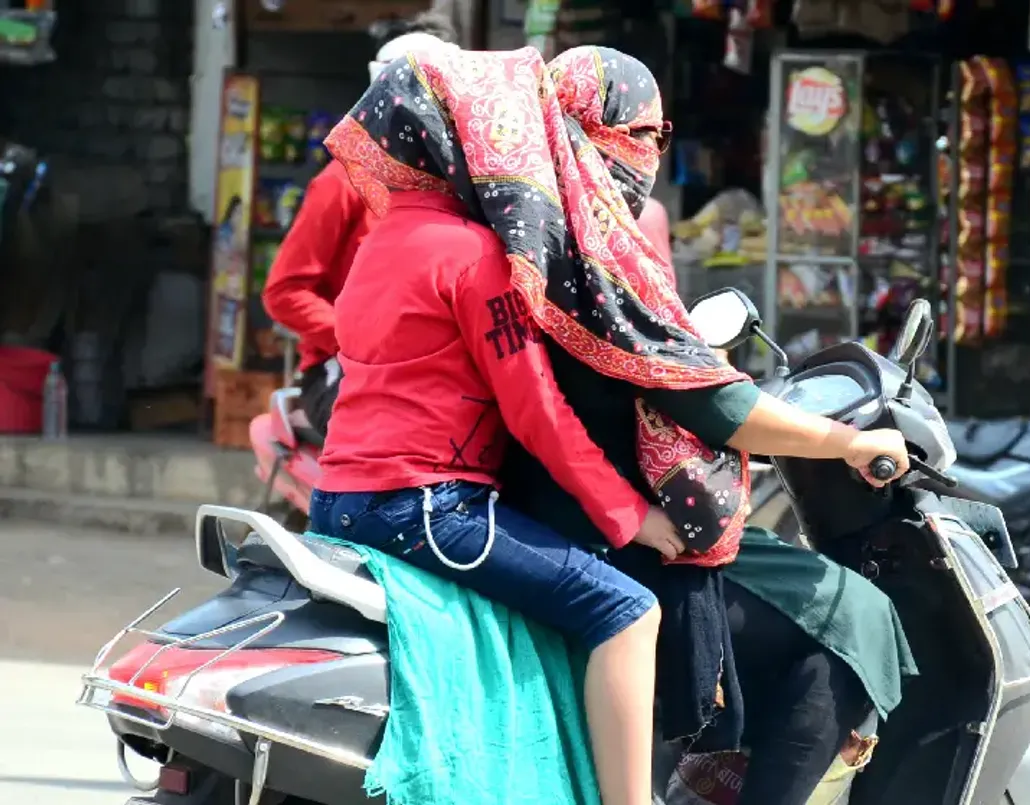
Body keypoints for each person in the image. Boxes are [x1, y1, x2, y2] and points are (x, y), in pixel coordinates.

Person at [324, 40, 914, 805]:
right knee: (817, 616)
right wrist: (633, 511)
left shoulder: (404, 242)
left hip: (394, 493)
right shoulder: (547, 258)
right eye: (642, 134)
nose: (650, 155)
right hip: (493, 511)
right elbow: (671, 404)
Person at [313, 45, 703, 805]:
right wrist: (629, 517)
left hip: (337, 496)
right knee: (628, 609)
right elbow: (536, 411)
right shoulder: (474, 256)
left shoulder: (379, 244)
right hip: (428, 507)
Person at [261, 11, 458, 436]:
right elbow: (284, 292)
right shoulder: (341, 181)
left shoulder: (466, 186)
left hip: (438, 371)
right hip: (345, 372)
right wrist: (363, 342)